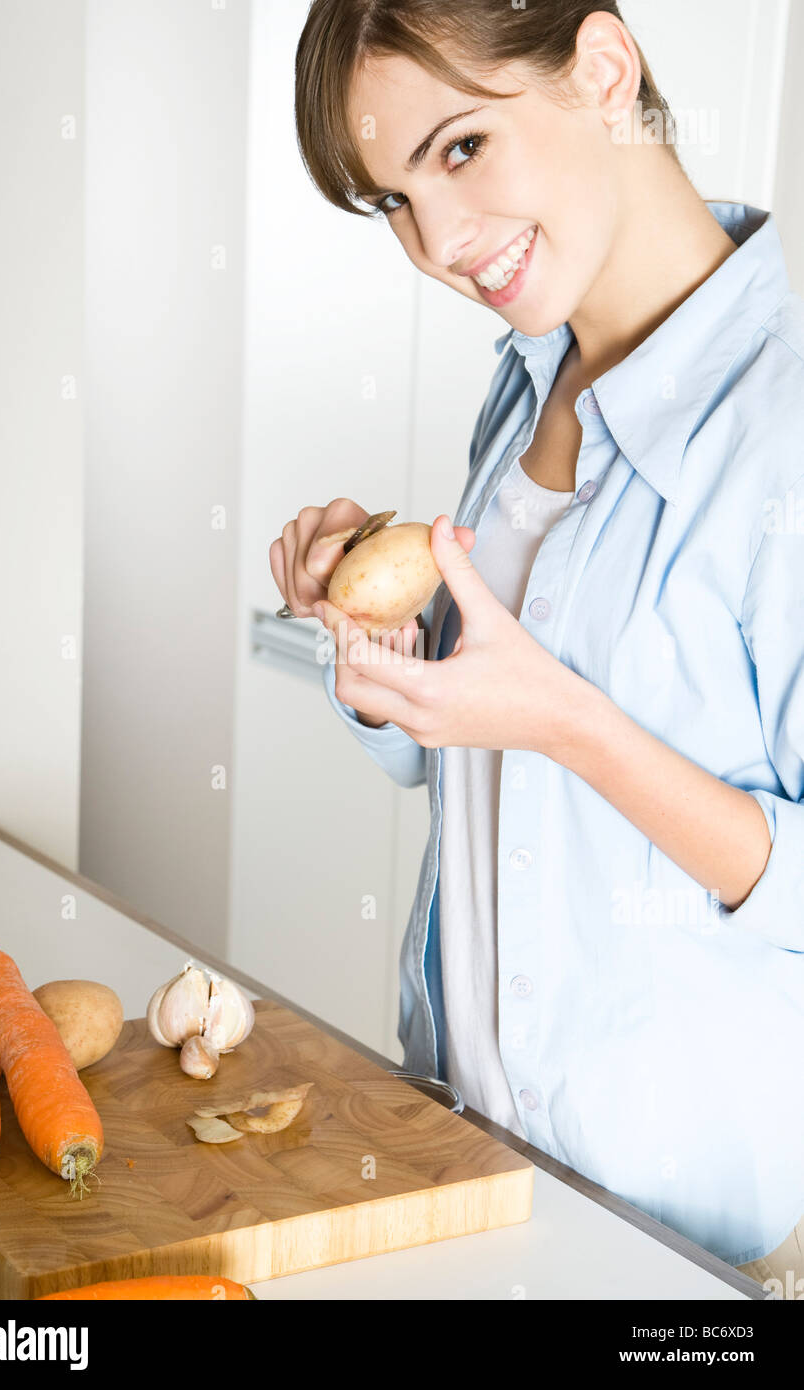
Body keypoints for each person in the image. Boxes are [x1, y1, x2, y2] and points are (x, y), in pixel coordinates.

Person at [270, 0, 804, 1295]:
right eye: (391, 200)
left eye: (459, 150)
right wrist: (385, 658)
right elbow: (488, 752)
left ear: (604, 68)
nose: (440, 244)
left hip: (667, 1255)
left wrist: (569, 719)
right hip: (457, 1152)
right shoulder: (530, 370)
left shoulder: (782, 428)